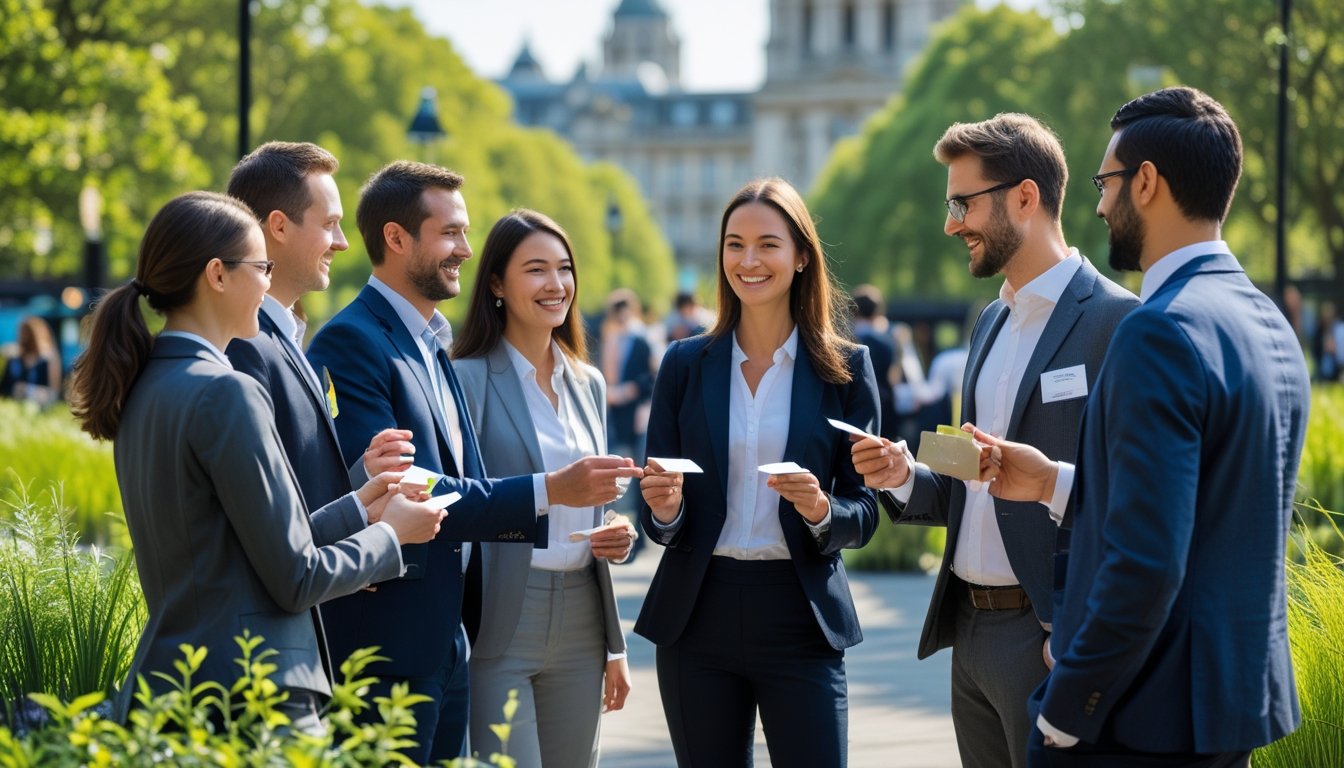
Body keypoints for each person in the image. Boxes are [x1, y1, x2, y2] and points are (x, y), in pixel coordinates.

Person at [973, 87, 1309, 767]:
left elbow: (1147, 563)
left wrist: (1067, 710)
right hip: (1228, 708)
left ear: (1147, 183)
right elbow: (1210, 509)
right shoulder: (1270, 323)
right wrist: (1058, 485)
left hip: (1136, 721)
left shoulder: (1156, 330)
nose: (1097, 204)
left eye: (1105, 182)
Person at [64, 191, 446, 733]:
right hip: (256, 695)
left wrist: (359, 508)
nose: (268, 283)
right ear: (217, 275)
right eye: (261, 266)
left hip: (177, 688)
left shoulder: (145, 387)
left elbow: (237, 552)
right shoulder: (227, 392)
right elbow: (296, 577)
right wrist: (392, 538)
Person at [306, 162, 640, 764]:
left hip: (451, 638)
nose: (465, 247)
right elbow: (403, 490)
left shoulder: (431, 342)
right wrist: (551, 490)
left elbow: (470, 485)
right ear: (396, 238)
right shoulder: (352, 341)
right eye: (451, 233)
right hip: (397, 640)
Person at [848, 113, 1137, 768]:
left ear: (1025, 197)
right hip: (968, 637)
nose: (951, 224)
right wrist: (899, 475)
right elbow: (966, 487)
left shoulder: (1121, 323)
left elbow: (1136, 501)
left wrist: (1078, 633)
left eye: (963, 203)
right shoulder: (988, 324)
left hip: (1047, 637)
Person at [635, 178, 880, 767]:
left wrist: (822, 509)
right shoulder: (683, 364)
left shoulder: (846, 368)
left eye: (768, 244)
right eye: (734, 244)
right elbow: (656, 512)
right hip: (698, 615)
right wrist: (665, 510)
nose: (748, 261)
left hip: (800, 613)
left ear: (800, 256)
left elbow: (866, 510)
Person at [452, 209, 636, 767]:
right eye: (536, 270)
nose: (555, 285)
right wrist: (554, 491)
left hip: (583, 616)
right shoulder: (466, 377)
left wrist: (614, 533)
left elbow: (593, 505)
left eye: (564, 269)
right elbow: (460, 497)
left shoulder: (587, 382)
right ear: (496, 284)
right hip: (502, 616)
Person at [225, 141, 412, 517]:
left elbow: (300, 480)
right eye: (329, 224)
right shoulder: (243, 345)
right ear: (278, 225)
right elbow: (267, 517)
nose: (342, 242)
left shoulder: (285, 334)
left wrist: (364, 474)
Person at [850, 284, 900, 441]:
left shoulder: (843, 341)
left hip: (850, 411)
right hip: (883, 411)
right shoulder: (888, 342)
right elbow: (894, 378)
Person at [1, 316, 61, 405]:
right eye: (22, 333)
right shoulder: (14, 358)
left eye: (27, 334)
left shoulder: (47, 360)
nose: (24, 337)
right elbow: (4, 387)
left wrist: (29, 390)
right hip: (13, 405)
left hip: (40, 407)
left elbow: (54, 393)